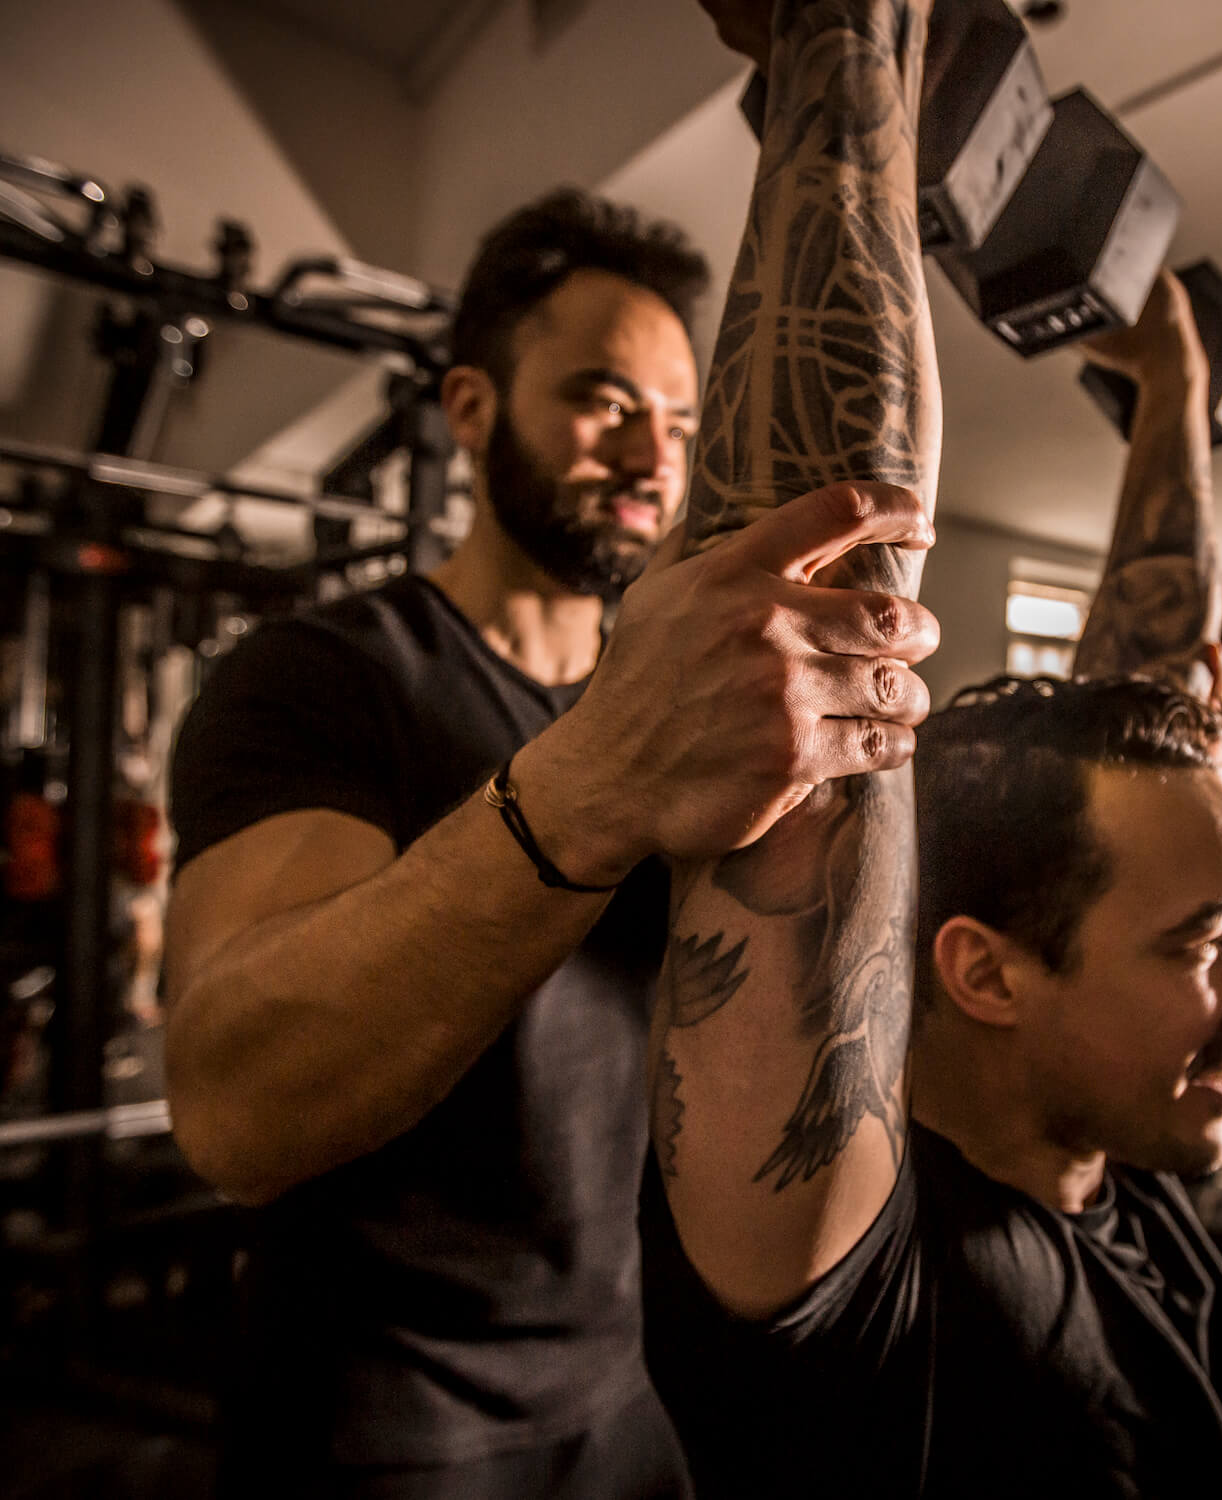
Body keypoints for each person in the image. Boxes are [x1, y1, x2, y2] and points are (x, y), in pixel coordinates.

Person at [164, 187, 938, 1495]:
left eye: (679, 422)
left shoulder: (710, 716)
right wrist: (600, 778)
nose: (654, 458)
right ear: (470, 409)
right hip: (394, 1415)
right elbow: (234, 1109)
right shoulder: (322, 674)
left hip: (631, 1387)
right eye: (605, 401)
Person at [638, 19, 1222, 1480]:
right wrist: (846, 39)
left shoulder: (1097, 1142)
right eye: (1201, 945)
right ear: (981, 971)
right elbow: (813, 602)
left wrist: (1174, 375)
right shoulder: (861, 1292)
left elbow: (1139, 695)